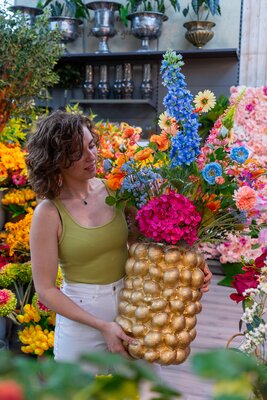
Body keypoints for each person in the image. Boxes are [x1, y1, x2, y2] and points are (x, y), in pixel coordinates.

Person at [27, 110, 212, 371]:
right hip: (81, 317)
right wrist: (102, 326)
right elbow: (45, 289)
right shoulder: (48, 213)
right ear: (57, 160)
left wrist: (192, 265)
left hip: (134, 304)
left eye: (91, 145)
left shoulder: (115, 190)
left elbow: (147, 246)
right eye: (78, 153)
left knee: (147, 390)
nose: (92, 156)